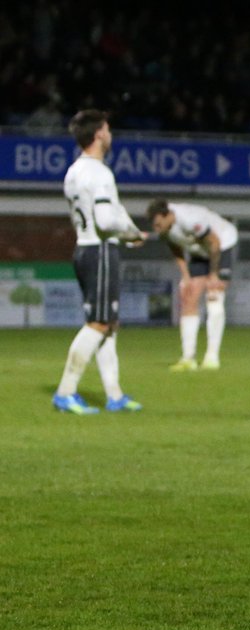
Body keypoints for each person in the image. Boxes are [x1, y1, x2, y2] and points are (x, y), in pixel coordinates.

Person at [52, 109, 147, 415]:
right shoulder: (100, 173)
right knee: (99, 323)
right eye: (107, 129)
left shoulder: (74, 172)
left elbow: (109, 210)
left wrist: (129, 231)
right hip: (101, 250)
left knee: (108, 324)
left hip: (83, 248)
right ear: (98, 135)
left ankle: (114, 395)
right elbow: (107, 219)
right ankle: (66, 392)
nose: (110, 134)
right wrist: (131, 233)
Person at [147, 199, 238, 370]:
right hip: (199, 250)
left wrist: (213, 274)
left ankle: (212, 357)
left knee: (214, 296)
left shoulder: (190, 219)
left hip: (222, 244)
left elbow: (214, 243)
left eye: (158, 224)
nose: (156, 229)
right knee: (188, 297)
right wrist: (186, 276)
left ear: (168, 216)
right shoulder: (164, 228)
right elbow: (177, 250)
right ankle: (188, 358)